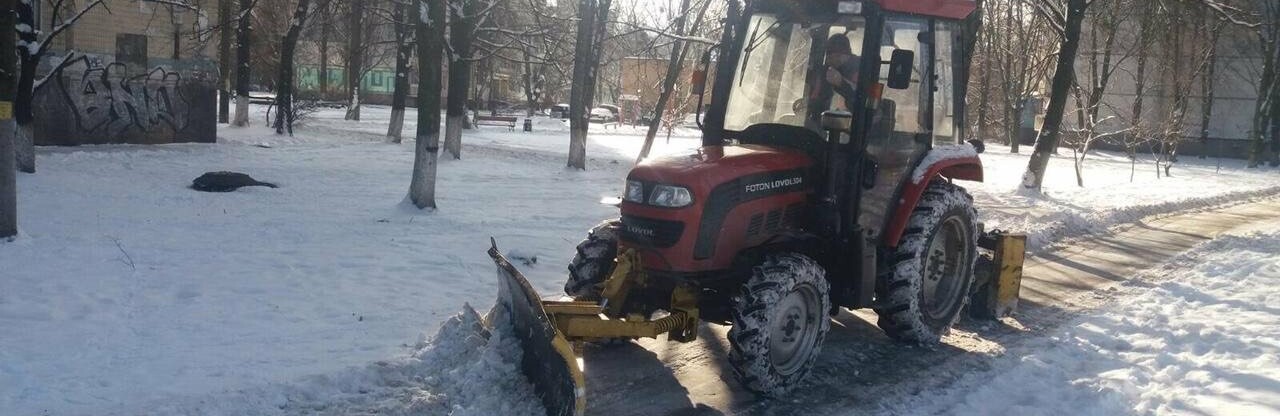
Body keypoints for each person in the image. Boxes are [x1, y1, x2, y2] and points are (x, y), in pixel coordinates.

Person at [810, 33, 861, 121]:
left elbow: (861, 103)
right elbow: (815, 98)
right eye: (829, 57)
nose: (831, 61)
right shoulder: (824, 72)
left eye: (838, 56)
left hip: (852, 126)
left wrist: (841, 83)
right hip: (821, 123)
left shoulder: (861, 69)